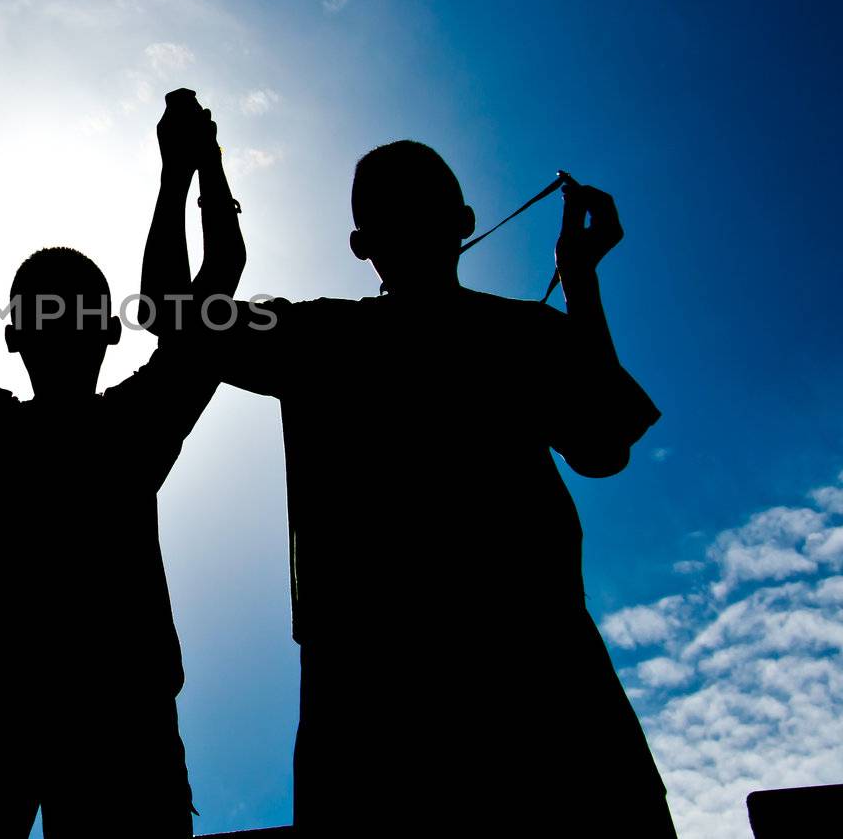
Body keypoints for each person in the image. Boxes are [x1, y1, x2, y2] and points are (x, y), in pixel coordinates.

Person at [142, 133, 675, 835]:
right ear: (465, 220)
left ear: (362, 244)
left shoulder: (318, 336)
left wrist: (187, 169)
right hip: (539, 677)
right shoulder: (522, 333)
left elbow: (165, 310)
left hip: (375, 696)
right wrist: (579, 279)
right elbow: (603, 450)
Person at [0, 91, 243, 837]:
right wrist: (192, 167)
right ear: (109, 330)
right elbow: (218, 279)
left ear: (11, 336)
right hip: (108, 718)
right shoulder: (132, 424)